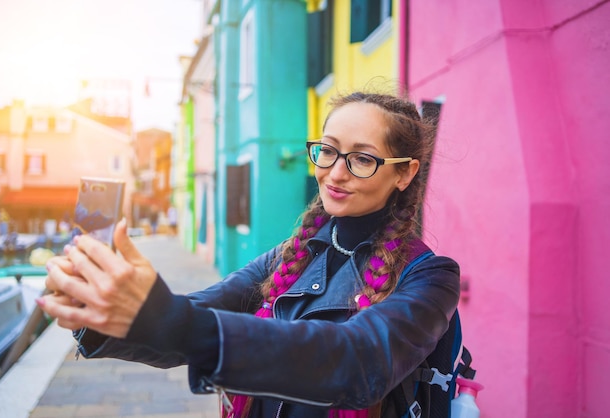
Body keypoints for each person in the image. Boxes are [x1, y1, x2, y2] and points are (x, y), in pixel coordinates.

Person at [37, 91, 460, 418]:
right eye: (327, 150)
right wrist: (100, 313)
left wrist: (169, 317)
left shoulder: (431, 277)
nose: (335, 173)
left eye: (362, 159)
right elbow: (193, 317)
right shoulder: (288, 256)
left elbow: (357, 359)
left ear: (404, 172)